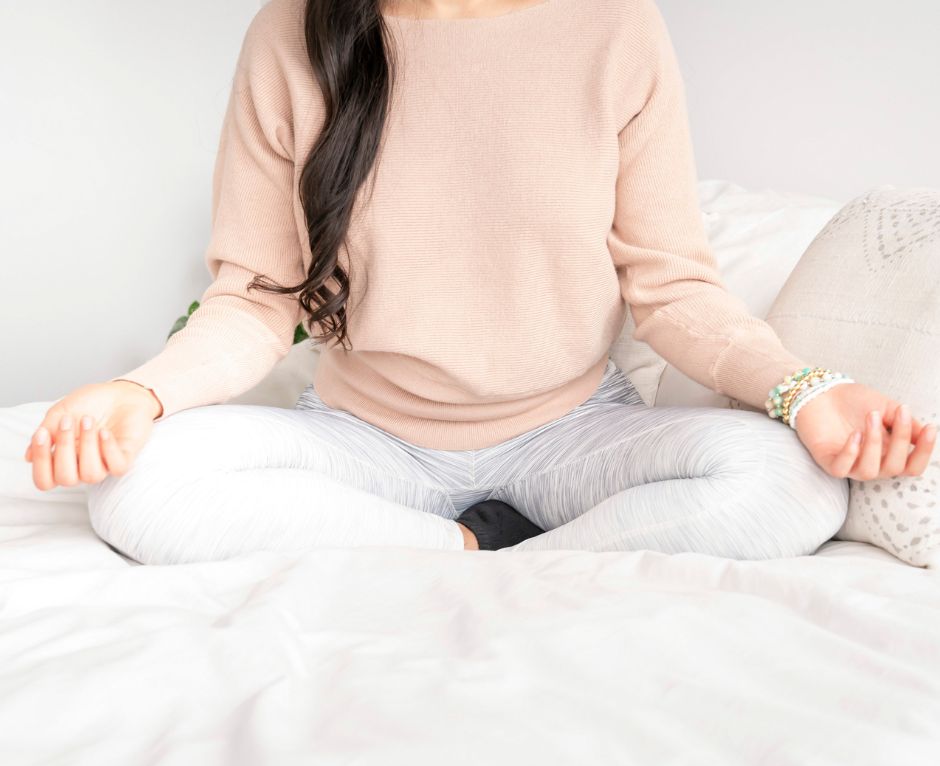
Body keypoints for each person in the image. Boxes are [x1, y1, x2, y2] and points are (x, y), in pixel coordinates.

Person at [23, 0, 937, 563]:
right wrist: (140, 393)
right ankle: (468, 551)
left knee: (791, 483)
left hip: (572, 431)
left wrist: (807, 390)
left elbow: (672, 287)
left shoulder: (614, 24)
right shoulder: (289, 33)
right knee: (138, 487)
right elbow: (257, 299)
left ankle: (522, 563)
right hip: (364, 440)